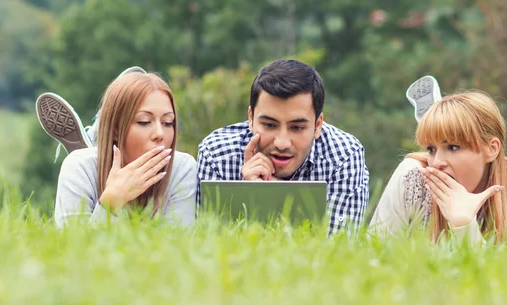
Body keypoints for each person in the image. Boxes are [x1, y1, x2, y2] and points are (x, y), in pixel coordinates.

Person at [196, 59, 370, 235]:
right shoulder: (216, 154)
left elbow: (338, 246)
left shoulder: (344, 155)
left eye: (297, 128)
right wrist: (245, 195)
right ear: (251, 118)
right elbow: (208, 247)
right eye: (270, 125)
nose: (282, 143)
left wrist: (270, 195)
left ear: (318, 125)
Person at [368, 76, 507, 246]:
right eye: (431, 149)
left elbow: (505, 274)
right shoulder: (413, 175)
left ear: (491, 149)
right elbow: (372, 255)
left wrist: (464, 225)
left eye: (453, 147)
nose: (437, 163)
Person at [35, 69, 197, 227]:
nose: (160, 133)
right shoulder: (79, 167)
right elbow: (70, 248)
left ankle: (99, 128)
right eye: (144, 122)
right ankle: (100, 128)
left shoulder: (182, 169)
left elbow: (176, 246)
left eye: (168, 123)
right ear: (115, 130)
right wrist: (110, 203)